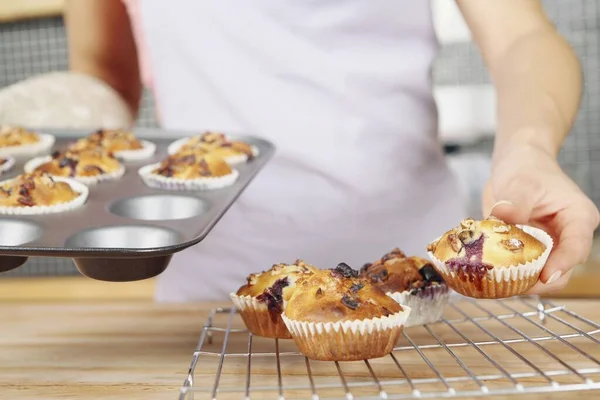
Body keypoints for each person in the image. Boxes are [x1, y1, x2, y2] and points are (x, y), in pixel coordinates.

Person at [63, 0, 599, 302]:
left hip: (421, 284)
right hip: (210, 290)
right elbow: (104, 69)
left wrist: (527, 149)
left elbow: (521, 35)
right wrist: (61, 138)